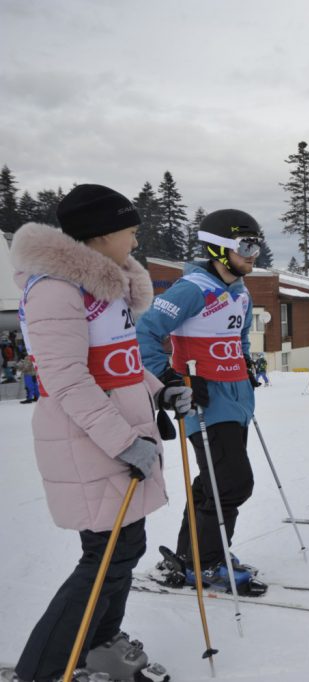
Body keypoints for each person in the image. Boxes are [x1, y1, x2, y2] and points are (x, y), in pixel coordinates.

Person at [8, 186, 189, 682]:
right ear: (102, 233)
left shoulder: (102, 290)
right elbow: (66, 378)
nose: (136, 238)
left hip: (116, 431)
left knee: (124, 548)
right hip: (87, 439)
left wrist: (160, 391)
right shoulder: (55, 289)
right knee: (104, 555)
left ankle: (100, 642)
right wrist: (123, 441)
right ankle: (43, 669)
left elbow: (119, 365)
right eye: (130, 230)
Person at [136, 208, 264, 593]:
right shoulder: (192, 288)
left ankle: (193, 553)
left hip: (236, 396)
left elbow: (238, 337)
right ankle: (207, 561)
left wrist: (244, 364)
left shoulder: (240, 291)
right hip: (204, 399)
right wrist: (172, 379)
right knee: (233, 483)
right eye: (247, 245)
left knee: (214, 481)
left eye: (258, 244)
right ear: (221, 249)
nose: (254, 253)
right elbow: (146, 332)